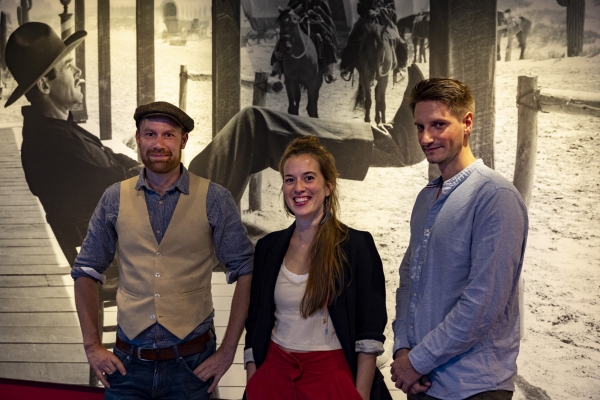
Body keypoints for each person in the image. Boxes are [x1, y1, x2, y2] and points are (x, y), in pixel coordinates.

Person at [71, 101, 254, 399]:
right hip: (128, 365)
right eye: (150, 134)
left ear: (183, 141)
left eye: (168, 135)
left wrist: (228, 349)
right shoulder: (114, 198)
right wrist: (92, 345)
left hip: (192, 365)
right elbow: (86, 271)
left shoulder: (215, 198)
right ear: (138, 138)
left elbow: (245, 270)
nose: (158, 144)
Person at [390, 78, 528, 399]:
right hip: (422, 382)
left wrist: (417, 361)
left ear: (467, 123)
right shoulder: (426, 198)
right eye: (420, 126)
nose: (426, 137)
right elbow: (408, 282)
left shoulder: (495, 196)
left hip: (474, 387)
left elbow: (482, 304)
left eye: (438, 125)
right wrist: (402, 349)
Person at [243, 136, 392, 400]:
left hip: (332, 378)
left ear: (329, 186)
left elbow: (369, 332)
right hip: (274, 377)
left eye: (309, 178)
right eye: (290, 179)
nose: (298, 187)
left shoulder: (357, 246)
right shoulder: (268, 247)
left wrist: (360, 395)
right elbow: (255, 323)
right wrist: (254, 382)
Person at [4, 22, 142, 267]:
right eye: (68, 66)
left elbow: (114, 163)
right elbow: (121, 183)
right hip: (139, 249)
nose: (79, 72)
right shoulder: (56, 146)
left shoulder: (54, 132)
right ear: (44, 85)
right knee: (233, 138)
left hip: (135, 237)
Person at [189, 63, 427, 205]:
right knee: (253, 124)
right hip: (186, 212)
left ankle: (391, 141)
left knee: (251, 122)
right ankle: (394, 144)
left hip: (187, 193)